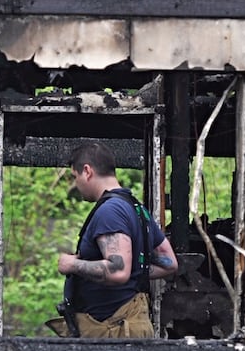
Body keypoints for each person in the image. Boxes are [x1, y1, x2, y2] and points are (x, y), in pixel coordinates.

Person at [54, 141, 178, 338]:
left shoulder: (110, 211)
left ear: (87, 171)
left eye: (74, 176)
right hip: (127, 328)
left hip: (114, 334)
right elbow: (169, 262)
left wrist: (72, 264)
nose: (76, 184)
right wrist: (136, 272)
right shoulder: (137, 209)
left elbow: (118, 271)